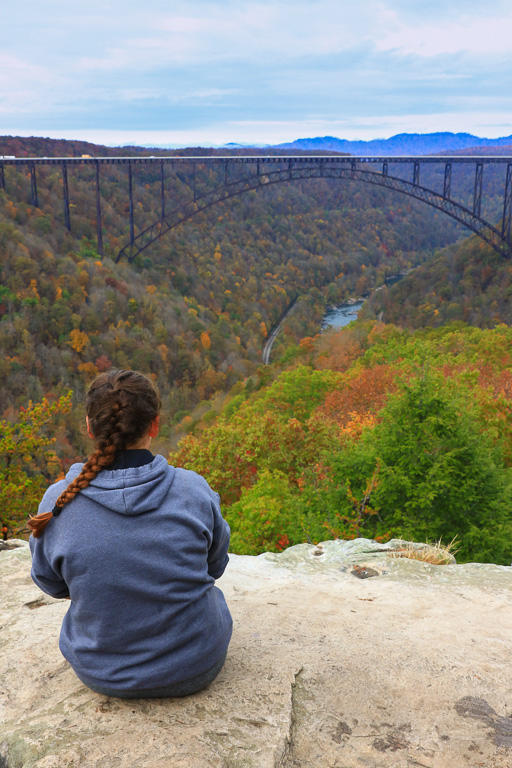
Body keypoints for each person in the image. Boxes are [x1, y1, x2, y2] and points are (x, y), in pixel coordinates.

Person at [28, 369, 232, 699]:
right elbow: (215, 566)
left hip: (102, 673)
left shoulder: (57, 502)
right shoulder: (193, 491)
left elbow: (51, 583)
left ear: (90, 426)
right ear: (154, 424)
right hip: (196, 665)